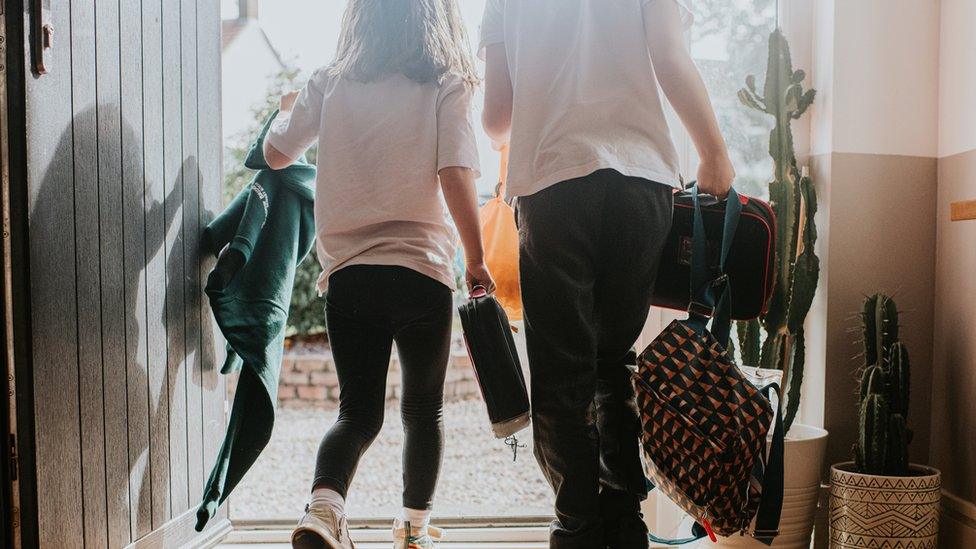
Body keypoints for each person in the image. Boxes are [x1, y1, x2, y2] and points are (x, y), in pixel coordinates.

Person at [480, 1, 735, 548]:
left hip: (552, 184)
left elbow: (496, 117)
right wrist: (714, 151)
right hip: (640, 183)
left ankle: (577, 525)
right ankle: (624, 520)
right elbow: (669, 58)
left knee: (561, 374)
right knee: (614, 362)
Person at [263, 1, 494, 547]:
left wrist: (286, 108)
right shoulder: (447, 81)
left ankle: (322, 511)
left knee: (357, 414)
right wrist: (477, 259)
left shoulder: (330, 81)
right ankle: (412, 531)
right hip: (422, 274)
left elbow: (276, 154)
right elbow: (456, 171)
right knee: (423, 411)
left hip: (351, 277)